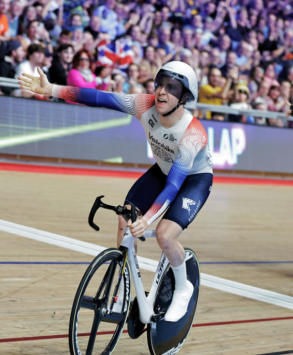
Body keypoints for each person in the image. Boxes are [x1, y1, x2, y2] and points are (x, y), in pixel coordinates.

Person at [18, 61, 213, 322]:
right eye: (160, 84)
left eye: (172, 88)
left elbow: (174, 186)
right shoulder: (143, 104)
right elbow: (97, 97)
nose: (162, 92)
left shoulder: (193, 134)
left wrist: (147, 220)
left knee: (165, 235)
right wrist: (51, 89)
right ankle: (122, 287)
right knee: (124, 217)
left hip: (193, 180)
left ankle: (182, 286)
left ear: (185, 97)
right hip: (164, 169)